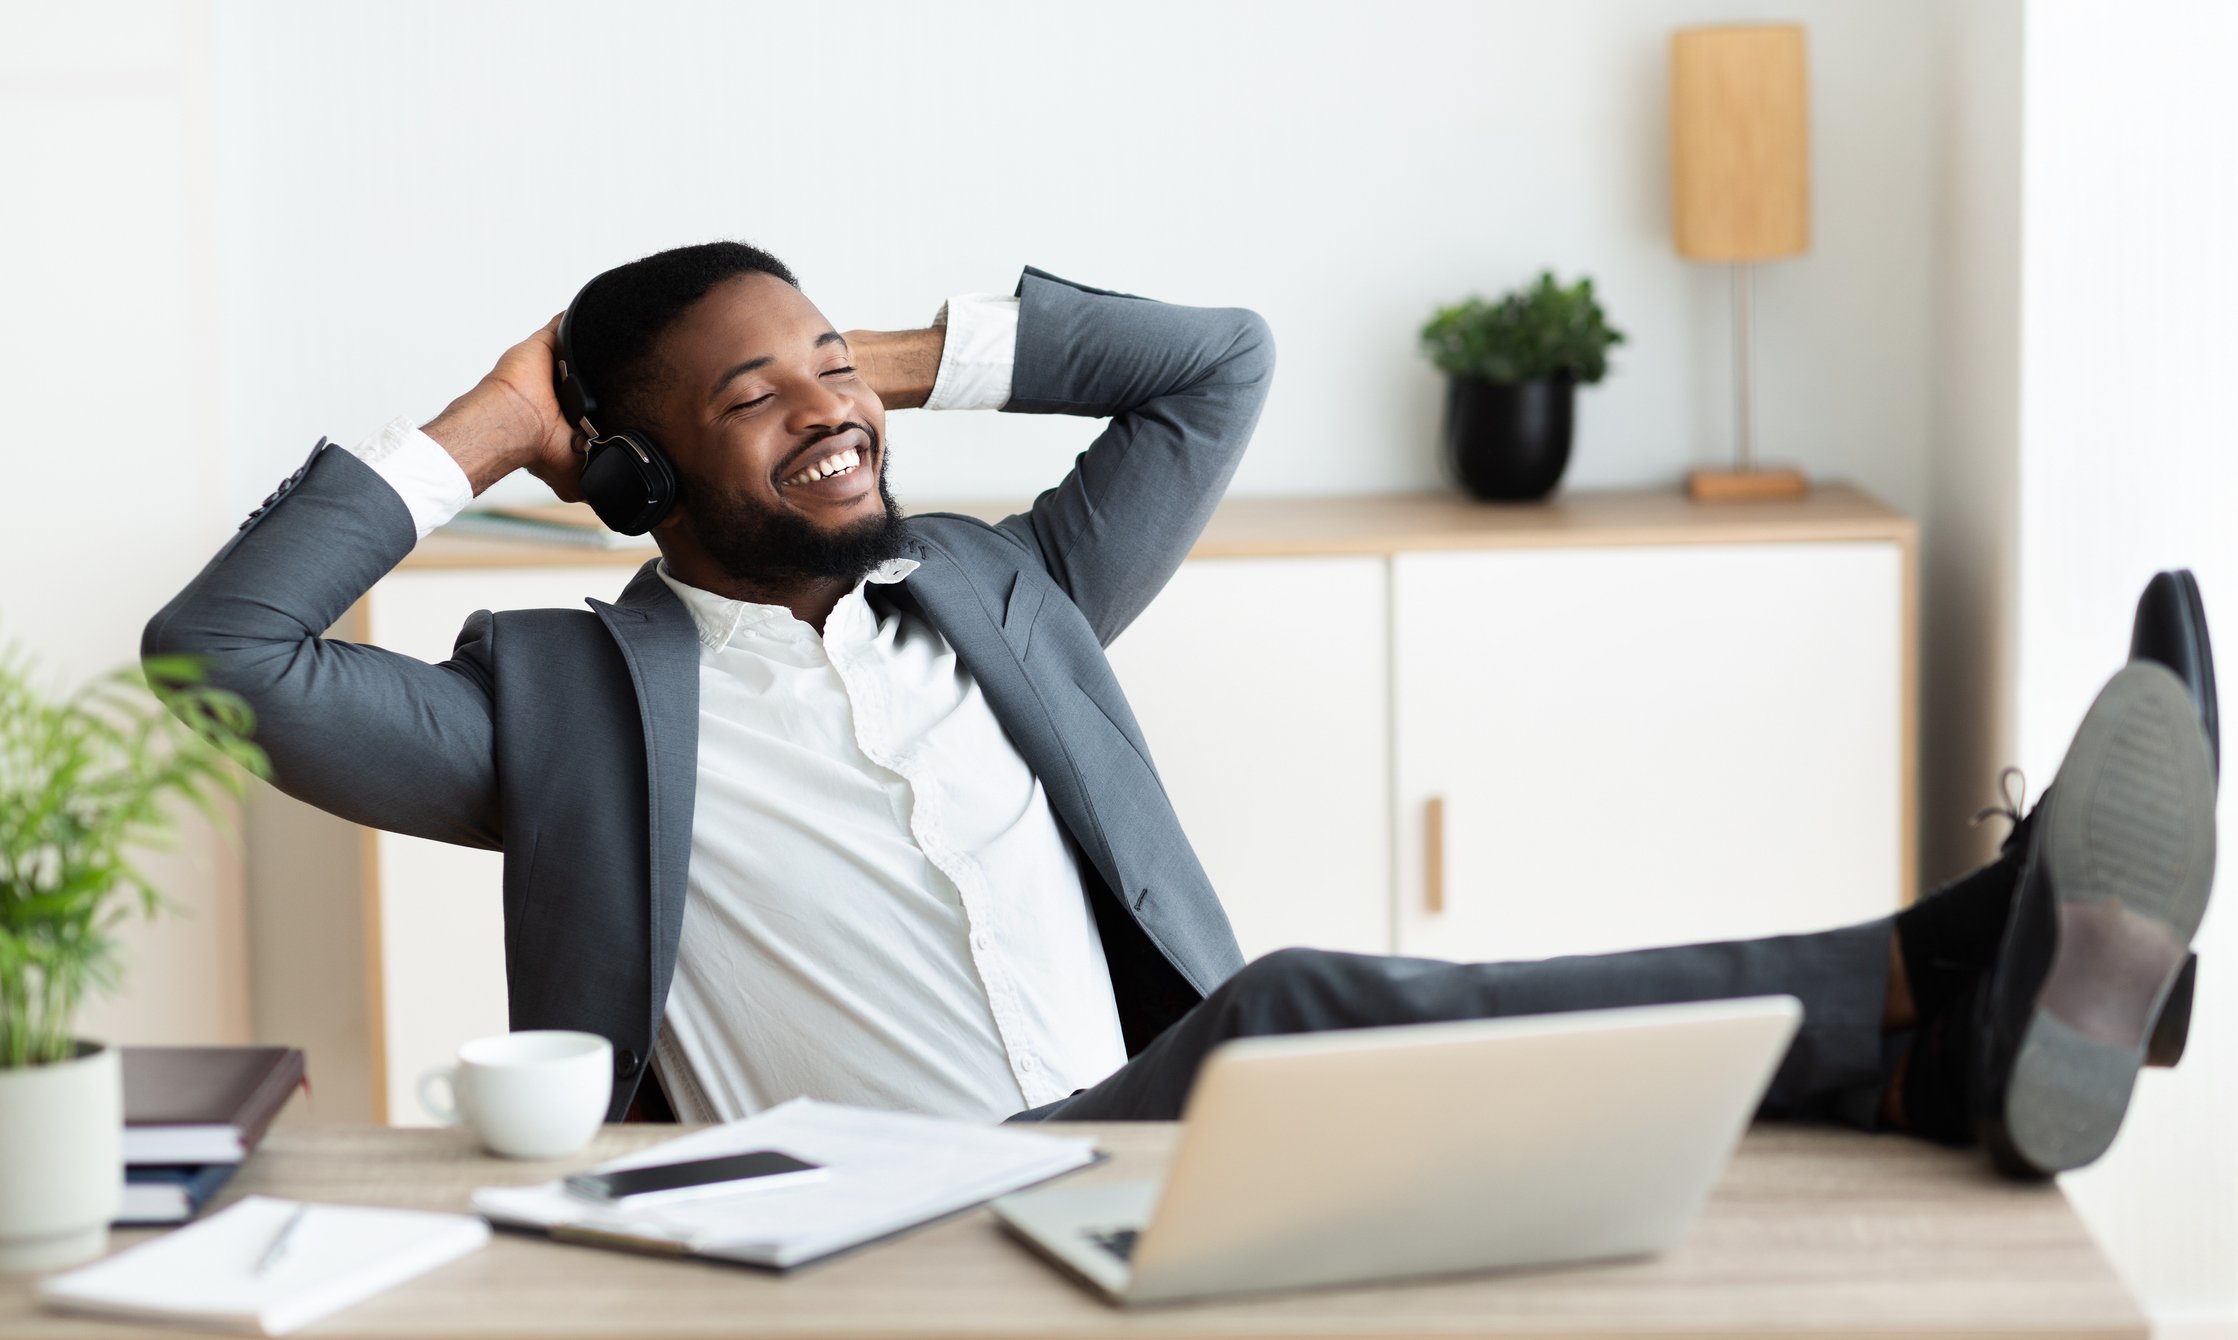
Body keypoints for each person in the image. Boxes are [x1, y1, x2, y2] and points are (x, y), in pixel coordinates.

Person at [145, 243, 2218, 1181]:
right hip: (908, 1213)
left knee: (1589, 1197)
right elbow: (219, 661)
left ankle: (1954, 1032)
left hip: (1152, 1161)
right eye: (752, 393)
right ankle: (1951, 981)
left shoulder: (1006, 585)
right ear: (635, 465)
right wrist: (498, 420)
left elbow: (1215, 362)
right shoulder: (561, 705)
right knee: (1310, 1001)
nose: (828, 410)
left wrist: (864, 350)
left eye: (830, 369)